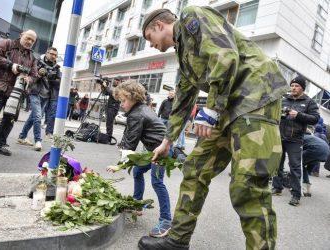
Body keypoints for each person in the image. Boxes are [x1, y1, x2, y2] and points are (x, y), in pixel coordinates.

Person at [139, 6, 289, 249]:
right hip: (227, 106)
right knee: (194, 169)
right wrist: (167, 142)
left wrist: (211, 110)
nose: (150, 44)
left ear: (159, 26)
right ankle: (177, 240)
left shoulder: (192, 16)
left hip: (255, 98)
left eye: (149, 38)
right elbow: (183, 101)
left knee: (247, 185)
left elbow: (225, 55)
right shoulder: (184, 54)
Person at [109, 80, 172, 237]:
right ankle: (138, 205)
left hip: (161, 152)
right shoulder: (139, 110)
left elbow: (131, 145)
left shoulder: (138, 114)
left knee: (157, 182)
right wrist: (122, 146)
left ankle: (166, 220)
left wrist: (120, 165)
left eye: (123, 101)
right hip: (152, 151)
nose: (121, 104)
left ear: (133, 97)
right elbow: (130, 134)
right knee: (138, 171)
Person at [0, 29, 38, 156]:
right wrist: (10, 65)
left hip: (17, 93)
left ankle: (0, 145)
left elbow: (34, 75)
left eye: (32, 40)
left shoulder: (32, 57)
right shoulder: (8, 44)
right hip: (0, 87)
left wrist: (29, 79)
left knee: (9, 120)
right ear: (21, 35)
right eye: (28, 38)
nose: (30, 42)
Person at [272, 76, 319, 206]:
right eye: (292, 85)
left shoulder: (309, 102)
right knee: (277, 164)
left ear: (302, 88)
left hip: (295, 139)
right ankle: (277, 187)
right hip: (280, 136)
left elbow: (315, 119)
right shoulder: (284, 99)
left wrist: (298, 115)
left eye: (296, 86)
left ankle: (296, 195)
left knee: (295, 167)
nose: (293, 88)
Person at [17, 47, 59, 150]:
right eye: (51, 53)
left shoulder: (56, 67)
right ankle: (38, 141)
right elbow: (31, 77)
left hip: (47, 96)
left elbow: (59, 83)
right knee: (38, 116)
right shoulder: (37, 62)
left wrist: (52, 78)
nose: (53, 56)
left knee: (32, 117)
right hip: (35, 92)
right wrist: (40, 74)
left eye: (55, 55)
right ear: (46, 53)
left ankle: (22, 137)